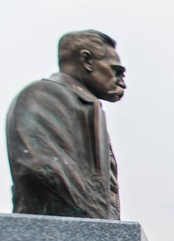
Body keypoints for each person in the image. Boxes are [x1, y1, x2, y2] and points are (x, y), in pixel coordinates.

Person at [7, 30, 125, 219]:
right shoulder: (42, 97)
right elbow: (41, 170)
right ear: (87, 61)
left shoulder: (88, 109)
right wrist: (100, 220)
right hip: (53, 230)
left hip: (95, 234)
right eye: (116, 71)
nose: (122, 82)